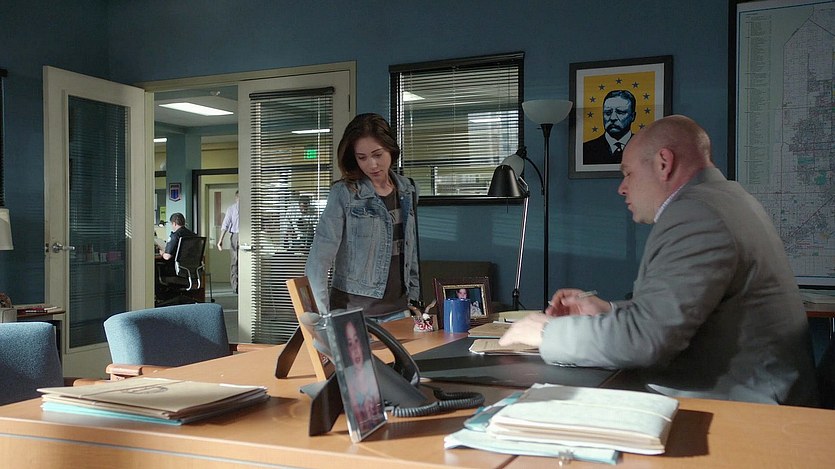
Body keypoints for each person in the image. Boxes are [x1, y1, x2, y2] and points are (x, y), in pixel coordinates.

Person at [499, 115, 819, 407]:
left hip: (745, 412)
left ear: (664, 163)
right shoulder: (728, 200)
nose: (622, 188)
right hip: (759, 395)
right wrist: (609, 310)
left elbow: (646, 340)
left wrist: (546, 333)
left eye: (628, 173)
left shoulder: (697, 215)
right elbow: (680, 312)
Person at [305, 113, 420, 320]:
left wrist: (414, 300)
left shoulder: (407, 189)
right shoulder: (344, 193)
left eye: (378, 154)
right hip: (353, 312)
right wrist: (323, 317)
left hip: (400, 312)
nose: (372, 165)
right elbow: (318, 260)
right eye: (362, 158)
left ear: (391, 150)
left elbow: (410, 252)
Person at [342, 319, 383, 435]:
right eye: (350, 344)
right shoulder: (349, 380)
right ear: (346, 350)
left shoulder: (371, 370)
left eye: (356, 341)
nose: (355, 350)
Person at [582, 89, 637, 165]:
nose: (612, 118)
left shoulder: (645, 147)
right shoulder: (585, 150)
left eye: (620, 112)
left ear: (633, 116)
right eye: (608, 112)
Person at [216, 190, 240, 294]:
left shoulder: (233, 208)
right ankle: (237, 286)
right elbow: (225, 224)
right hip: (237, 236)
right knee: (236, 261)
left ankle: (237, 286)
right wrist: (220, 240)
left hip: (240, 236)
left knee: (236, 262)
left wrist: (220, 240)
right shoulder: (232, 209)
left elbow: (225, 225)